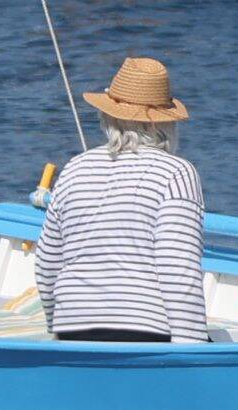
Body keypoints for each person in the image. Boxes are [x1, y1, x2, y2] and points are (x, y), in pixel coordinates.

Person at [40, 57, 212, 342]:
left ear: (107, 116)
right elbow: (178, 270)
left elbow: (47, 262)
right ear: (165, 123)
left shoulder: (75, 167)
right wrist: (191, 349)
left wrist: (55, 326)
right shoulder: (176, 173)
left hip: (72, 328)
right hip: (143, 332)